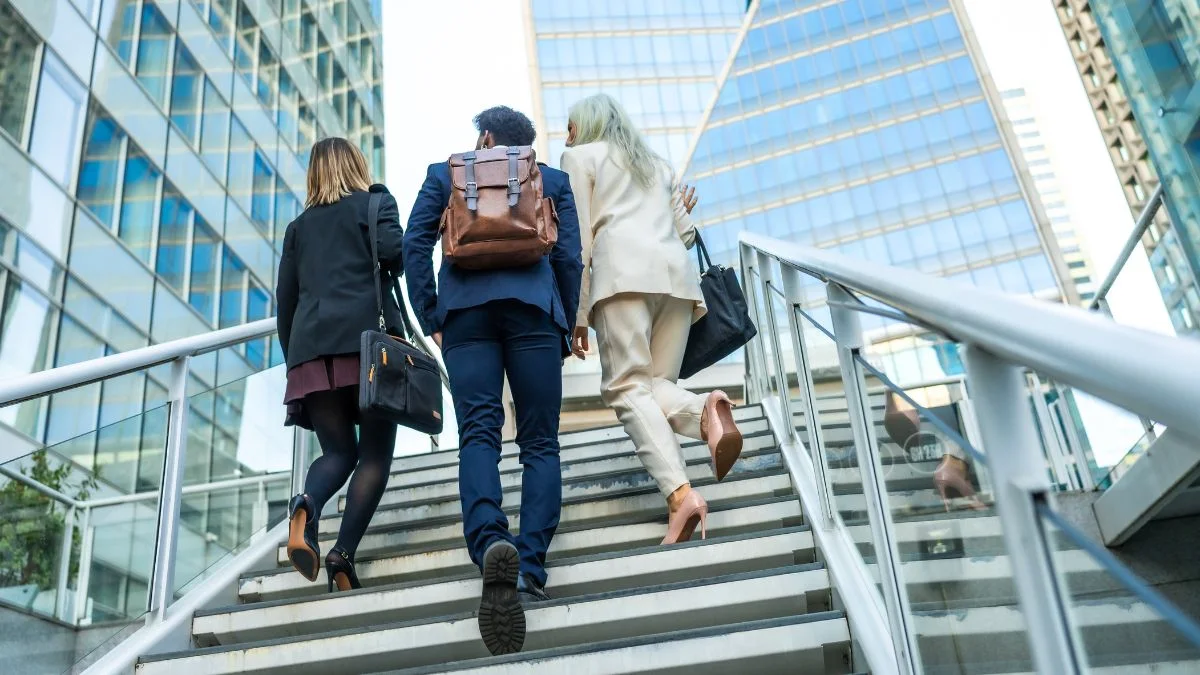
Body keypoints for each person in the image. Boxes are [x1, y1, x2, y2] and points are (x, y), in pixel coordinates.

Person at [403, 106, 583, 655]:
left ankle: (488, 545)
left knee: (480, 432)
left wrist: (431, 316)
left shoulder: (445, 173)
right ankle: (529, 565)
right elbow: (570, 257)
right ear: (522, 146)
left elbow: (414, 246)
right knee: (539, 440)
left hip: (465, 316)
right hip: (533, 312)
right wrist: (563, 320)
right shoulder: (551, 180)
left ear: (483, 138)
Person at [560, 93, 743, 546]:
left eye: (570, 126)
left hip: (621, 277)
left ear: (585, 127)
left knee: (625, 387)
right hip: (676, 282)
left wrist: (576, 314)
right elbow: (685, 234)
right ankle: (707, 410)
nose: (566, 135)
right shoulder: (657, 166)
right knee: (654, 385)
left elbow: (578, 239)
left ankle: (681, 494)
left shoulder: (578, 157)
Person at [277, 138, 405, 593]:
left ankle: (307, 505)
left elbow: (285, 302)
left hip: (311, 350)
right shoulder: (373, 204)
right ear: (356, 165)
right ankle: (342, 553)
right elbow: (396, 257)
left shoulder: (298, 227)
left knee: (337, 453)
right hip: (369, 347)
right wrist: (382, 198)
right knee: (373, 456)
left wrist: (296, 359)